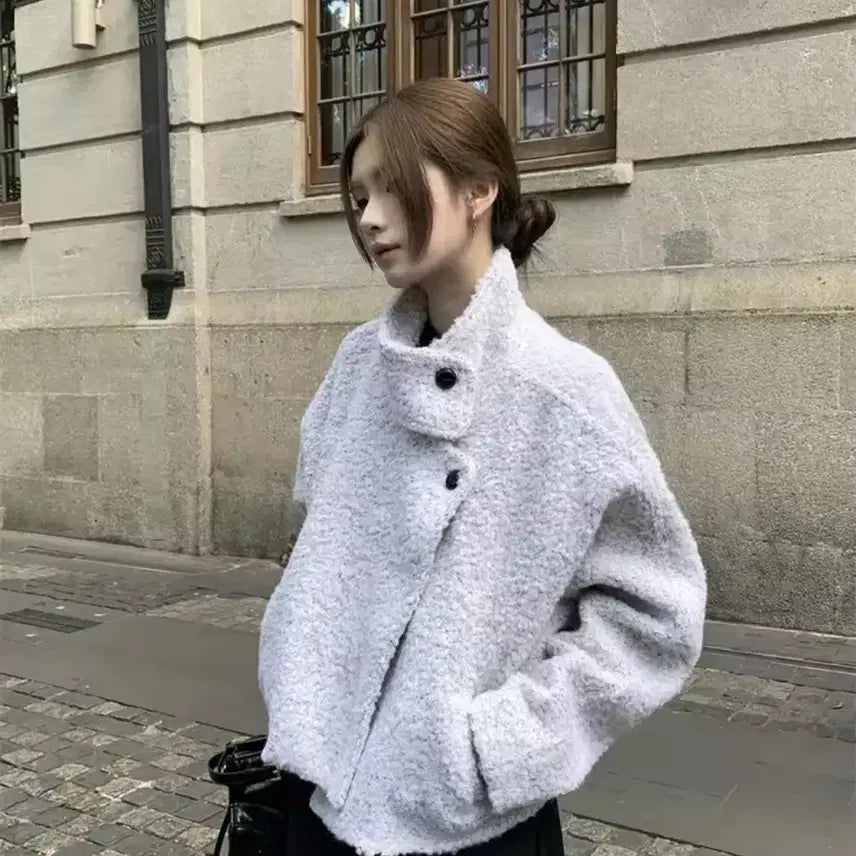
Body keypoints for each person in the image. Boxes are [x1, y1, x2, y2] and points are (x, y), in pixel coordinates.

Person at [258, 77, 707, 856]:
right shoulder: (359, 368)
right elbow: (312, 540)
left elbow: (656, 614)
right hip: (320, 791)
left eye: (392, 188)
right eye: (358, 196)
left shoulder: (564, 389)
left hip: (467, 820)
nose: (369, 218)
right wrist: (299, 671)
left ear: (478, 189)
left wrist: (500, 747)